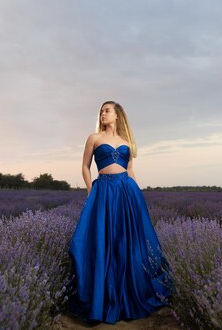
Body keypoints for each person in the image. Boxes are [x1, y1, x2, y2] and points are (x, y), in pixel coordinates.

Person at [67, 100, 173, 324]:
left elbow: (131, 170)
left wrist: (138, 197)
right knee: (102, 241)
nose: (102, 114)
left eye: (107, 111)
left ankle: (129, 295)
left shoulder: (127, 142)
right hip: (104, 190)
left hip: (127, 192)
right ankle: (102, 297)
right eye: (101, 111)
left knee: (129, 243)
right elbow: (85, 166)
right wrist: (90, 190)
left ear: (117, 115)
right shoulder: (94, 138)